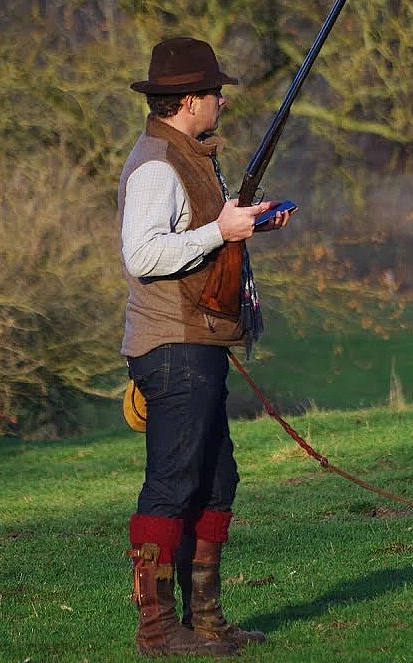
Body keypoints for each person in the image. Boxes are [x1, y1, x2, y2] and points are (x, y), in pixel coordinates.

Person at [118, 37, 293, 657]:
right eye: (215, 92)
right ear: (190, 100)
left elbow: (197, 237)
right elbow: (141, 254)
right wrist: (220, 229)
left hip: (197, 343)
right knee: (171, 485)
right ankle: (158, 632)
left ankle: (205, 621)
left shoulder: (189, 156)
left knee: (216, 483)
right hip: (174, 345)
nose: (222, 100)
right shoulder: (157, 165)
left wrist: (245, 224)